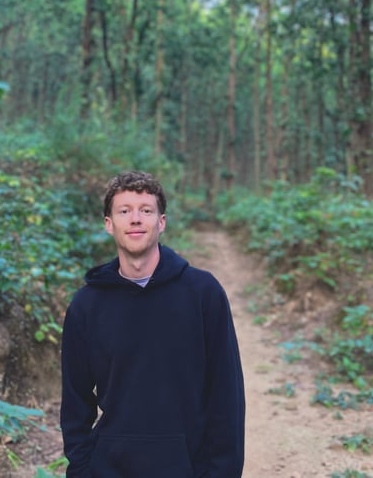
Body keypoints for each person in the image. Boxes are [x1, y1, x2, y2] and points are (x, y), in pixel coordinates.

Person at [60, 170, 245, 477]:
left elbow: (226, 397)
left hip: (188, 469)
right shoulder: (86, 305)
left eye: (146, 210)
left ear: (161, 222)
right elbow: (75, 402)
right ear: (109, 224)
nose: (135, 219)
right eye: (124, 211)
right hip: (109, 469)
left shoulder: (203, 294)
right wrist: (81, 470)